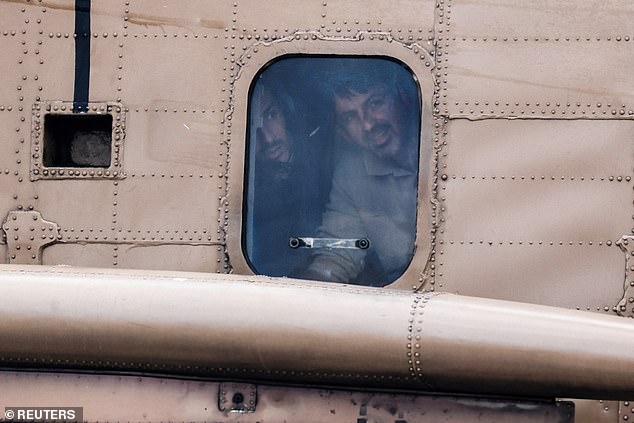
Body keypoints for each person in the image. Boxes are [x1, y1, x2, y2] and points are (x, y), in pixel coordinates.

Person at [298, 59, 421, 285]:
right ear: (344, 133)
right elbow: (339, 253)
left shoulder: (445, 146)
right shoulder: (351, 175)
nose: (367, 124)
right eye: (350, 117)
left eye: (375, 104)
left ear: (402, 98)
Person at [246, 75, 331, 277]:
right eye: (253, 127)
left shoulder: (327, 159)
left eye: (271, 115)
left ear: (287, 112)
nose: (268, 138)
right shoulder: (250, 188)